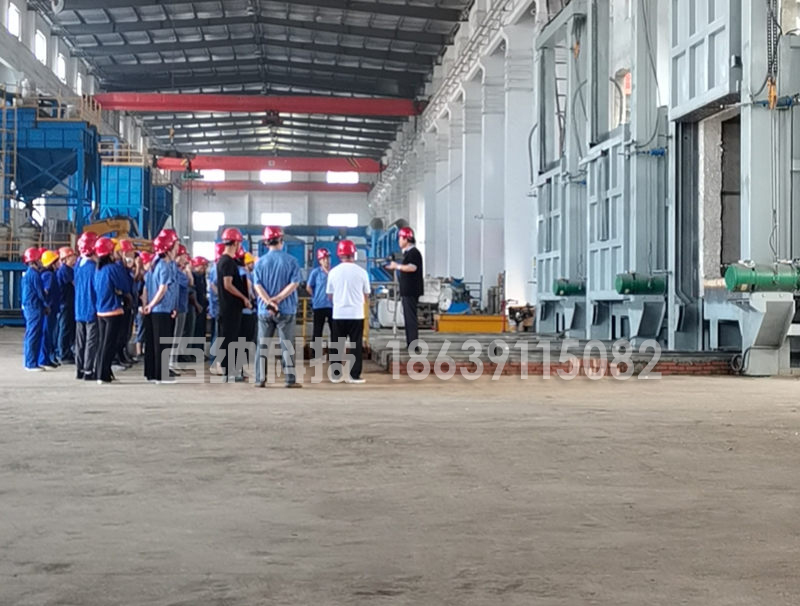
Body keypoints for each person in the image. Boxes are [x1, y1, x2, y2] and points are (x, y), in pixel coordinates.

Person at [253, 226, 302, 389]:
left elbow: (257, 286)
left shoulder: (259, 263)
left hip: (264, 310)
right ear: (281, 240)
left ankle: (260, 379)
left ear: (266, 243)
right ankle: (289, 379)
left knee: (262, 345)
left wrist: (269, 301)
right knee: (287, 345)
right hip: (286, 309)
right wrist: (278, 299)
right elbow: (294, 284)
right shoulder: (292, 261)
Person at [326, 239, 370, 384]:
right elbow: (366, 294)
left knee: (337, 344)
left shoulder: (333, 272)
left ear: (339, 254)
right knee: (356, 345)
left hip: (338, 313)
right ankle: (354, 375)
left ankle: (336, 375)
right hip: (356, 313)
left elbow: (330, 295)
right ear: (354, 254)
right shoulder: (362, 272)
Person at [216, 227, 252, 383]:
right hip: (230, 308)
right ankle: (229, 371)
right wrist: (244, 297)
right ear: (236, 243)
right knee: (230, 339)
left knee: (231, 338)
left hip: (229, 307)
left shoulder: (225, 261)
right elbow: (228, 284)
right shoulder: (227, 262)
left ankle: (232, 370)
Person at [93, 237, 130, 384]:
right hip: (113, 311)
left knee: (102, 343)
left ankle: (101, 372)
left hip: (101, 311)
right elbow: (125, 286)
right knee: (109, 345)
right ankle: (103, 375)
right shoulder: (113, 269)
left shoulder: (98, 269)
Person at [143, 234, 177, 384]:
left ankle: (151, 373)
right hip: (161, 309)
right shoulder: (164, 266)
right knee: (162, 344)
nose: (177, 250)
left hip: (153, 310)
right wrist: (152, 305)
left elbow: (145, 289)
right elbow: (163, 289)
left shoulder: (153, 264)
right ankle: (161, 375)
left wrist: (147, 305)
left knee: (152, 344)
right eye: (175, 247)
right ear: (168, 249)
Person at [386, 226, 424, 348]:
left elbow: (412, 267)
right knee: (408, 318)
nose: (399, 241)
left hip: (411, 290)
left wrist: (397, 266)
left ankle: (413, 344)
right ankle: (410, 343)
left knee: (410, 318)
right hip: (408, 290)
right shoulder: (408, 253)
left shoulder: (413, 253)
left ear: (406, 239)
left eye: (400, 238)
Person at [74, 232, 99, 382]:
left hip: (79, 309)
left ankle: (79, 369)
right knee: (91, 341)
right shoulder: (94, 268)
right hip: (91, 308)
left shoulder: (78, 266)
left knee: (80, 341)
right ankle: (88, 370)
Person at [21, 247, 48, 371]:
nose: (41, 262)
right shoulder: (34, 275)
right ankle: (31, 363)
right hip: (34, 307)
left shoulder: (28, 274)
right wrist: (46, 304)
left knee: (31, 334)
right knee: (33, 335)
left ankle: (31, 361)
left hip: (30, 307)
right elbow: (39, 292)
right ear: (34, 261)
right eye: (39, 259)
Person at [306, 248, 333, 358]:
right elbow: (309, 287)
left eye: (328, 258)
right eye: (324, 258)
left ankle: (334, 354)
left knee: (335, 330)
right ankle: (315, 353)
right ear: (320, 261)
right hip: (319, 306)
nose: (326, 260)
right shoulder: (316, 273)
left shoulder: (334, 272)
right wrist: (315, 297)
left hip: (333, 306)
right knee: (317, 330)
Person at [170, 244, 191, 372]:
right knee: (175, 335)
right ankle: (171, 361)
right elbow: (188, 282)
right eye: (183, 256)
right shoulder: (176, 272)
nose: (185, 259)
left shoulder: (177, 271)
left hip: (181, 306)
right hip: (178, 308)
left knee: (177, 336)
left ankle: (173, 360)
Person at [38, 250, 61, 369]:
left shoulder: (46, 274)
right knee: (46, 334)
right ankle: (44, 359)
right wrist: (47, 305)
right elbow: (46, 292)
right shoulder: (49, 275)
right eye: (57, 262)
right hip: (49, 310)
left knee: (47, 334)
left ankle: (45, 358)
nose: (59, 263)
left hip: (50, 308)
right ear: (52, 263)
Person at [56, 246, 77, 364]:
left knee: (68, 329)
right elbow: (75, 283)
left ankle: (67, 351)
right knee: (65, 329)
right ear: (65, 259)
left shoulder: (69, 270)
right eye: (72, 256)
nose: (74, 258)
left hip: (69, 303)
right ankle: (63, 354)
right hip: (65, 304)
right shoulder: (65, 270)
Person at [190, 256, 209, 348]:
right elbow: (192, 292)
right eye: (202, 266)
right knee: (196, 330)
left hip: (202, 306)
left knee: (202, 329)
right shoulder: (193, 277)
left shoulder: (202, 277)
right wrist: (197, 305)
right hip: (195, 307)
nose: (204, 268)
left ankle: (200, 349)